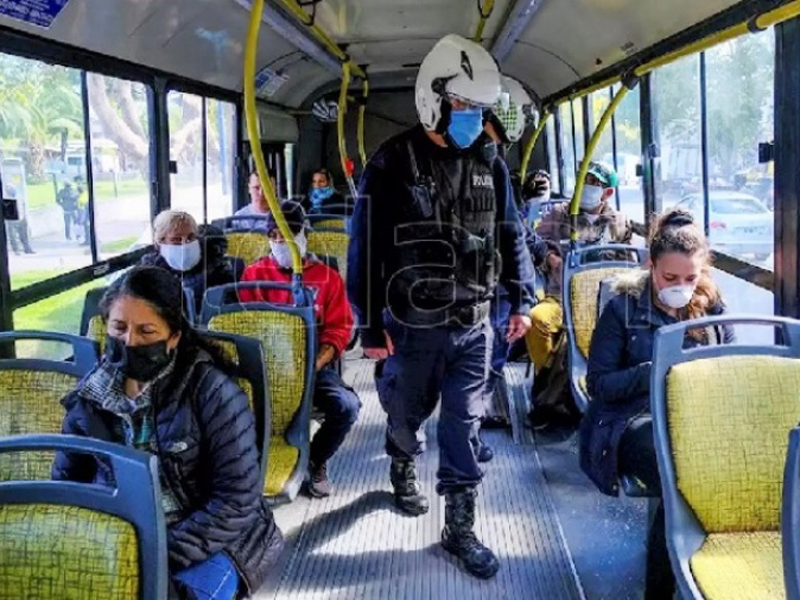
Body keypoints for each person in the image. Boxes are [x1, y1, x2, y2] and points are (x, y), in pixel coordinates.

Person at [348, 34, 537, 579]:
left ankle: (459, 528)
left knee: (465, 424)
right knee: (407, 413)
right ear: (433, 97)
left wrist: (522, 300)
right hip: (411, 325)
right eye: (464, 107)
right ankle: (401, 458)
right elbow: (365, 250)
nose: (473, 119)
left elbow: (512, 234)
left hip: (474, 324)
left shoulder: (490, 162)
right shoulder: (392, 164)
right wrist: (367, 326)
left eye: (480, 110)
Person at [52, 266, 284, 599]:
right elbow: (67, 484)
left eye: (146, 331)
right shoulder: (91, 397)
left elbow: (236, 500)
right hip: (120, 532)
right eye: (119, 328)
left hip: (212, 539)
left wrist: (153, 552)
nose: (129, 341)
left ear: (173, 336)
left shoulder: (213, 392)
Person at [579, 208, 734, 599]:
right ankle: (666, 588)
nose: (680, 286)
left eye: (690, 278)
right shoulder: (622, 309)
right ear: (651, 266)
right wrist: (654, 370)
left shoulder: (710, 305)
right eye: (669, 278)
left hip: (696, 418)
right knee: (682, 477)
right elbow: (599, 384)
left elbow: (732, 359)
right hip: (632, 419)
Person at [239, 201, 361, 498]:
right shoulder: (254, 275)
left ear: (302, 233)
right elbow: (240, 325)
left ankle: (316, 460)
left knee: (346, 407)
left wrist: (317, 362)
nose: (280, 241)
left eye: (288, 233)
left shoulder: (327, 277)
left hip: (311, 368)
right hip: (263, 368)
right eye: (274, 235)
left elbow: (339, 328)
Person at [526, 161, 633, 428]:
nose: (587, 187)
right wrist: (550, 258)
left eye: (594, 184)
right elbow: (533, 244)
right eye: (584, 180)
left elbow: (627, 264)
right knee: (537, 320)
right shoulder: (559, 214)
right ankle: (549, 372)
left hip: (600, 303)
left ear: (607, 193)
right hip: (560, 296)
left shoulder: (618, 223)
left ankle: (552, 394)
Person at [473, 74, 541, 462]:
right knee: (476, 364)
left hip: (491, 284)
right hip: (467, 287)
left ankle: (469, 431)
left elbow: (513, 234)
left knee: (487, 361)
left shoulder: (495, 168)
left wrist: (521, 299)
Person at [140, 210, 243, 315]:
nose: (185, 244)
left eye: (190, 237)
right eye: (176, 239)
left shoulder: (216, 265)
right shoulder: (149, 273)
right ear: (161, 241)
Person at [4, 183, 34, 255]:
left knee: (24, 235)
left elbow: (23, 206)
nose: (11, 191)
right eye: (9, 189)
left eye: (11, 189)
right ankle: (16, 250)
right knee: (13, 237)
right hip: (12, 220)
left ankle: (27, 249)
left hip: (22, 218)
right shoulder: (6, 198)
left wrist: (25, 217)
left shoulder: (19, 196)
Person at [75, 177, 90, 247]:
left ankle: (87, 241)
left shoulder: (80, 200)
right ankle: (92, 240)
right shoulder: (86, 194)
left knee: (86, 228)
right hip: (90, 215)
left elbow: (82, 210)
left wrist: (80, 221)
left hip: (85, 216)